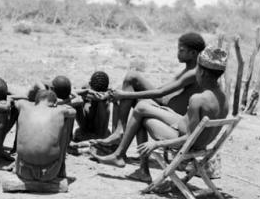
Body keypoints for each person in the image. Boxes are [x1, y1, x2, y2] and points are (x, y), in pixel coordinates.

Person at [90, 46, 228, 182]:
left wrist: (156, 145)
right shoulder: (223, 98)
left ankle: (130, 162)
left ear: (202, 73)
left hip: (186, 142)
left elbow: (188, 138)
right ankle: (120, 153)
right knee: (142, 106)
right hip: (194, 135)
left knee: (141, 114)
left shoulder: (198, 100)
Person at [93, 32, 206, 148]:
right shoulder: (188, 69)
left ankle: (120, 134)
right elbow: (162, 89)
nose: (178, 53)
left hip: (173, 114)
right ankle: (123, 138)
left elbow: (161, 93)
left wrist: (124, 95)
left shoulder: (193, 73)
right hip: (165, 103)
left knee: (132, 87)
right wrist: (115, 93)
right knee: (132, 83)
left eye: (181, 50)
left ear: (193, 53)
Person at [7, 89, 76, 191]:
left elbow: (15, 101)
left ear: (36, 101)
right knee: (65, 122)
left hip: (23, 170)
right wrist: (60, 104)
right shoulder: (60, 110)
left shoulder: (23, 105)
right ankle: (61, 170)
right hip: (50, 173)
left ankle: (17, 158)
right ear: (54, 103)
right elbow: (74, 112)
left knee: (22, 118)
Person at [72, 70, 111, 142]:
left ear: (90, 83)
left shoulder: (106, 96)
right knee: (77, 100)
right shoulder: (86, 90)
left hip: (98, 131)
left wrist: (100, 98)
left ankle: (96, 134)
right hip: (87, 127)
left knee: (101, 102)